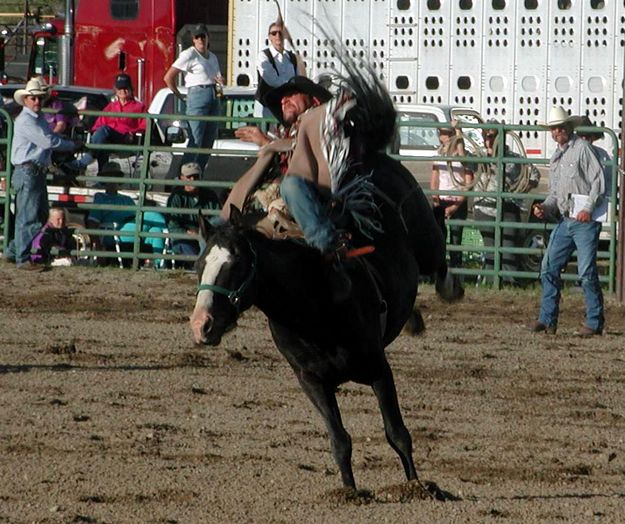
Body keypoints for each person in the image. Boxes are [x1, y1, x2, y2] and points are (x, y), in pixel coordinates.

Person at [530, 106, 605, 336]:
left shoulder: (582, 149)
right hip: (566, 219)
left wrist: (588, 208)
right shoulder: (556, 158)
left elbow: (598, 181)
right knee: (548, 267)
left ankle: (594, 322)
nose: (557, 132)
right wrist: (544, 207)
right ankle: (547, 318)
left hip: (584, 221)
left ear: (568, 128)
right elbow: (554, 194)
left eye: (559, 127)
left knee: (585, 271)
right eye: (553, 129)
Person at [222, 76, 331, 225]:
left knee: (289, 187)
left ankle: (328, 242)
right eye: (282, 98)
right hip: (275, 203)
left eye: (291, 94)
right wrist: (270, 145)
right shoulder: (286, 132)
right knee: (217, 226)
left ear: (314, 100)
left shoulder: (323, 123)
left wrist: (270, 144)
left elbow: (309, 154)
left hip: (307, 201)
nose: (283, 100)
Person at [4, 77, 82, 270]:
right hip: (29, 170)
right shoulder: (27, 120)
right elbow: (48, 141)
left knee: (37, 215)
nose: (37, 101)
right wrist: (71, 144)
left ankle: (15, 252)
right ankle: (21, 258)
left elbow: (49, 139)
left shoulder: (35, 119)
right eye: (34, 98)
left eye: (39, 98)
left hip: (33, 171)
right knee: (30, 216)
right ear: (26, 100)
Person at [473, 122, 541, 285]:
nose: (488, 140)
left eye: (491, 136)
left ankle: (509, 283)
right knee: (490, 250)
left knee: (508, 248)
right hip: (485, 207)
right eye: (486, 137)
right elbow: (461, 159)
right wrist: (457, 131)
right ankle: (492, 283)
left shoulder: (515, 159)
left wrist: (521, 190)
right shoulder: (480, 158)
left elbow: (534, 174)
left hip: (508, 207)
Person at [163, 24, 224, 171]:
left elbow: (217, 77)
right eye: (197, 37)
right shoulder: (189, 54)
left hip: (214, 96)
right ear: (193, 39)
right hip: (197, 96)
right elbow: (168, 77)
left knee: (208, 141)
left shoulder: (213, 57)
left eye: (203, 36)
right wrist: (179, 95)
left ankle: (198, 174)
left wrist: (221, 81)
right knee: (195, 140)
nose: (200, 39)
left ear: (208, 37)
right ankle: (184, 175)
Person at [68, 73, 146, 173]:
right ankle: (102, 178)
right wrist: (95, 134)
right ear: (116, 90)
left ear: (131, 89)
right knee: (102, 140)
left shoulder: (139, 107)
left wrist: (133, 133)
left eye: (125, 88)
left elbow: (145, 125)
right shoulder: (111, 106)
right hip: (108, 138)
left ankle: (82, 163)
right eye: (120, 88)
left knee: (104, 131)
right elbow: (98, 124)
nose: (123, 91)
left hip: (125, 138)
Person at [430, 126, 474, 268]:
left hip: (457, 201)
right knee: (439, 238)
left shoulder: (463, 158)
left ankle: (455, 273)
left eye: (447, 134)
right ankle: (439, 269)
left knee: (456, 239)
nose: (444, 138)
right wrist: (436, 201)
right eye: (442, 134)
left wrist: (456, 206)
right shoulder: (439, 156)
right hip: (441, 201)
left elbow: (468, 184)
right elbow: (434, 179)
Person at [166, 162, 220, 260]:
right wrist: (189, 234)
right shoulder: (176, 197)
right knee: (189, 249)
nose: (193, 179)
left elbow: (219, 219)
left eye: (196, 176)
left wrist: (205, 233)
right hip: (185, 239)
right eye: (189, 176)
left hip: (207, 237)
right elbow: (173, 227)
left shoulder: (210, 195)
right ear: (182, 178)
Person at [254, 21, 305, 119]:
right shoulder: (263, 56)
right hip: (267, 107)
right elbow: (272, 80)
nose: (277, 35)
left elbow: (299, 78)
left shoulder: (292, 57)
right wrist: (292, 85)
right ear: (269, 37)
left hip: (287, 108)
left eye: (280, 33)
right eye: (274, 33)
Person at [86, 162, 136, 251]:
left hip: (133, 228)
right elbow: (92, 223)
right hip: (115, 233)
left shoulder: (127, 199)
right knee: (149, 216)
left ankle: (159, 263)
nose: (112, 179)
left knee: (155, 230)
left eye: (116, 176)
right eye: (109, 176)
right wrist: (97, 245)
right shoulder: (100, 198)